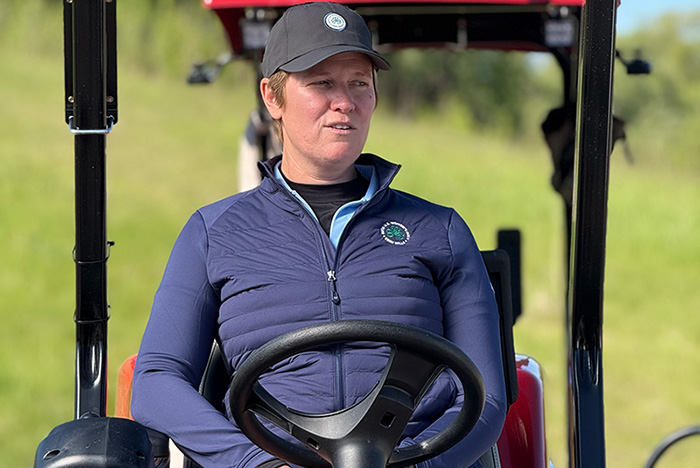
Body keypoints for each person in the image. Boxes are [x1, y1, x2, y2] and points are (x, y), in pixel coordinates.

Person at [131, 3, 507, 468]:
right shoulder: (213, 233)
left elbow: (487, 398)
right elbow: (156, 380)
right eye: (322, 83)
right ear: (273, 98)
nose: (344, 102)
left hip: (411, 457)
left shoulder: (439, 230)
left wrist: (421, 465)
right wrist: (256, 464)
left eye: (359, 83)